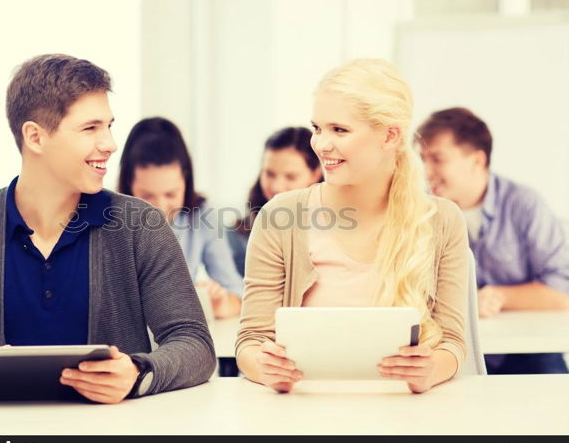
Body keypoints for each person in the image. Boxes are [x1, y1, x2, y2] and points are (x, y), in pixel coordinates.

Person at [0, 54, 216, 403]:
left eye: (109, 126)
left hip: (112, 440)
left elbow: (195, 346)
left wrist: (138, 373)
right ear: (35, 137)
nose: (110, 144)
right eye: (90, 128)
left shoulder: (141, 226)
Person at [236, 58, 469, 394]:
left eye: (339, 130)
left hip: (405, 415)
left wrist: (432, 369)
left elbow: (453, 344)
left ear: (390, 136)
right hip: (305, 412)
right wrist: (264, 366)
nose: (321, 144)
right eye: (317, 128)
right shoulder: (280, 216)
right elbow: (250, 342)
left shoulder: (442, 220)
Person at [417, 107, 569, 374]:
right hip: (454, 349)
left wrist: (498, 296)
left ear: (477, 160)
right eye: (423, 159)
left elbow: (562, 289)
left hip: (529, 350)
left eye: (437, 159)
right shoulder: (422, 211)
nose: (427, 171)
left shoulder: (524, 204)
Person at [118, 117, 243, 319]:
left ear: (186, 182)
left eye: (170, 194)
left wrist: (221, 303)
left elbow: (238, 293)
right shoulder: (107, 219)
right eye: (147, 196)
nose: (158, 208)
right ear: (127, 185)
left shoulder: (202, 217)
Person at [227, 127, 323, 277]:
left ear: (315, 174)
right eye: (269, 174)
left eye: (290, 177)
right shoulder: (237, 235)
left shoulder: (332, 231)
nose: (276, 187)